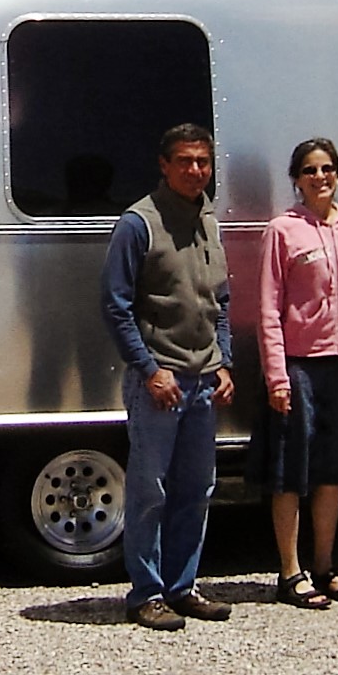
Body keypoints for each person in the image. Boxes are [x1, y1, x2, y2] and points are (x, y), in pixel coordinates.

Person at [100, 123, 235, 631]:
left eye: (203, 162)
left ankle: (183, 587)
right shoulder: (139, 223)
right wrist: (150, 370)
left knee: (196, 489)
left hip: (203, 378)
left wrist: (224, 359)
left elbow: (219, 298)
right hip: (161, 380)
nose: (195, 170)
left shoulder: (207, 217)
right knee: (149, 489)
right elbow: (115, 305)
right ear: (164, 164)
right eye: (185, 161)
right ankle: (145, 593)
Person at [254, 137, 338, 608]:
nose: (320, 177)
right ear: (297, 178)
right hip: (298, 365)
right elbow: (268, 307)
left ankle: (325, 566)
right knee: (291, 471)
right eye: (310, 170)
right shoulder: (283, 231)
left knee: (333, 470)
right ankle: (290, 571)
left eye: (328, 168)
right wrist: (277, 375)